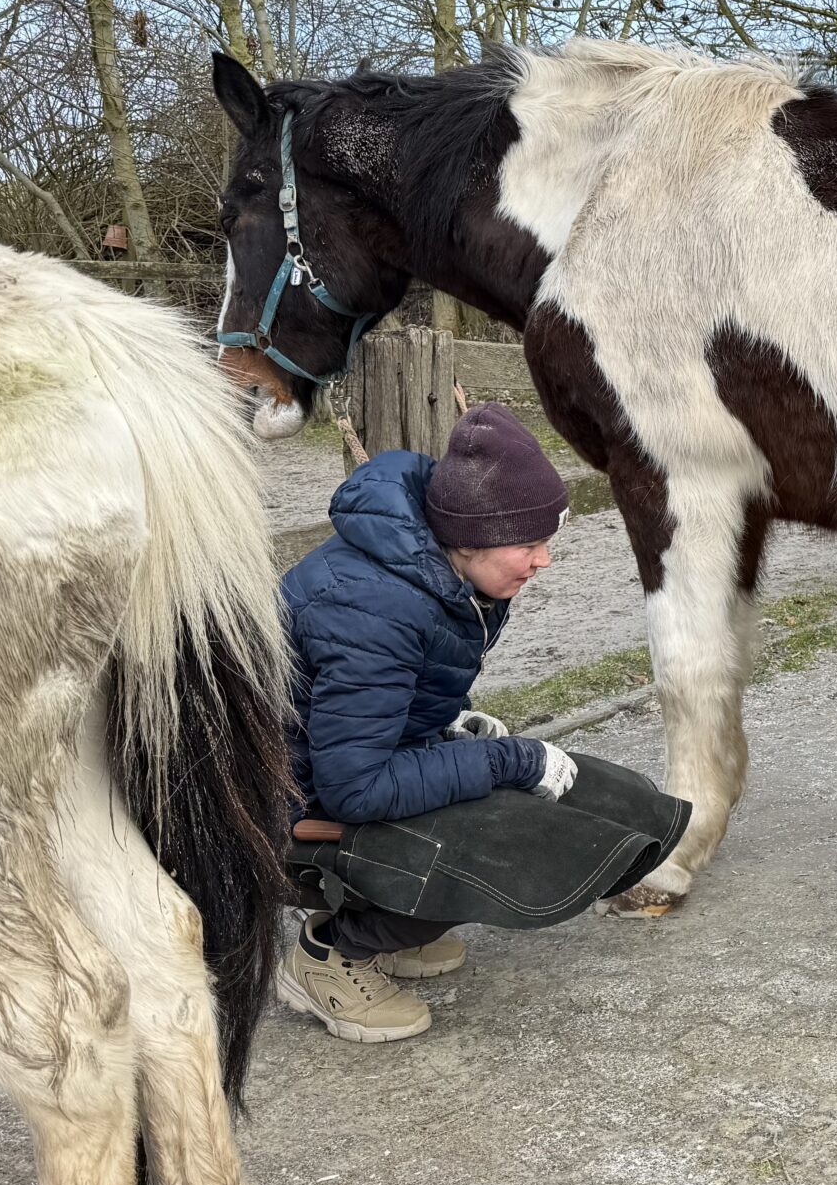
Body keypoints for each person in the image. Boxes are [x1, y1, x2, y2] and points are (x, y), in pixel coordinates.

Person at [274, 403, 684, 1042]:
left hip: (334, 768)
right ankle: (331, 952)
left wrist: (449, 724)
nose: (544, 560)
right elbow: (353, 785)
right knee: (504, 840)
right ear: (469, 536)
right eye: (529, 543)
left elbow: (360, 708)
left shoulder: (436, 570)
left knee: (603, 797)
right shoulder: (373, 608)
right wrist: (507, 761)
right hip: (285, 806)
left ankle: (389, 923)